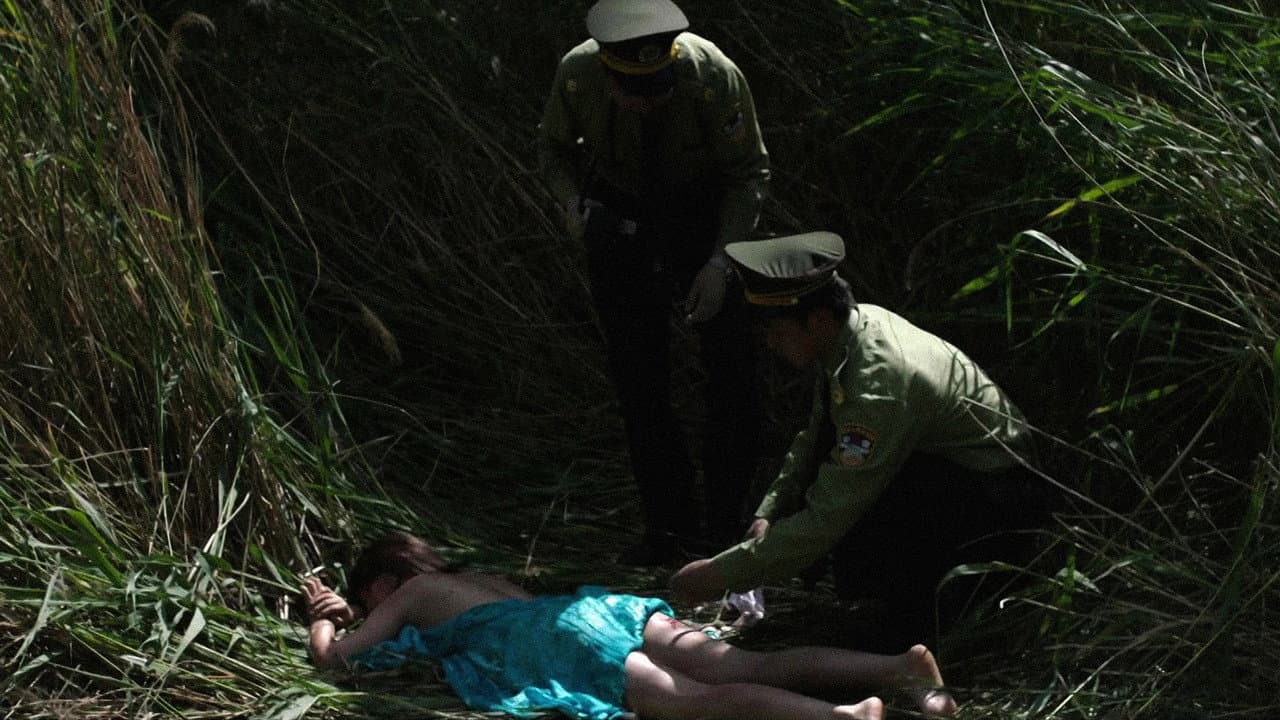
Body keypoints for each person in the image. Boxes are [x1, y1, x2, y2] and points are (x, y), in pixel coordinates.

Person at [670, 232, 1039, 648]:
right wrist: (770, 511)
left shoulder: (877, 387)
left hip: (993, 501)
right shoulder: (853, 331)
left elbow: (827, 517)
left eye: (776, 331)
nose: (770, 344)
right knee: (835, 474)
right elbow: (816, 435)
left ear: (817, 320)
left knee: (856, 502)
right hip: (952, 472)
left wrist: (721, 573)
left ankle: (925, 626)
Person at [538, 0, 770, 564]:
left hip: (702, 216)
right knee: (639, 379)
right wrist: (570, 205)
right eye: (633, 92)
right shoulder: (578, 74)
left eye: (658, 89)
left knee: (732, 376)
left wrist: (720, 262)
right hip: (619, 217)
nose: (647, 103)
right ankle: (668, 529)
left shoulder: (714, 76)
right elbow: (552, 150)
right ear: (607, 70)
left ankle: (728, 530)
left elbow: (748, 174)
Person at [301, 532, 958, 720]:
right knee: (740, 665)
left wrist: (324, 619)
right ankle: (897, 668)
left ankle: (843, 717)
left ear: (385, 577)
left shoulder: (414, 593)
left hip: (563, 643)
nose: (367, 605)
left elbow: (336, 661)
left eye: (365, 593)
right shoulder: (477, 579)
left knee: (697, 703)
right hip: (595, 611)